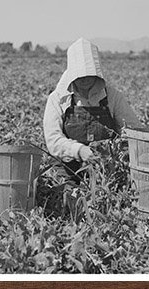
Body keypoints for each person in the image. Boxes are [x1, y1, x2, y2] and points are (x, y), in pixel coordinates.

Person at [41, 37, 142, 215]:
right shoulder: (58, 99)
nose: (85, 80)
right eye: (80, 75)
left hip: (106, 170)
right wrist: (79, 150)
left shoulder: (112, 97)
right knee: (72, 205)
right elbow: (53, 140)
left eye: (89, 75)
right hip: (68, 170)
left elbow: (133, 131)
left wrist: (115, 152)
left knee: (116, 206)